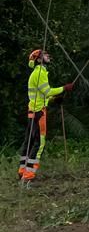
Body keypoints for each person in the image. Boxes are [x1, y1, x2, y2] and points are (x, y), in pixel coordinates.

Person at [18, 49, 73, 183]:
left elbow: (41, 96)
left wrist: (54, 99)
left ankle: (22, 171)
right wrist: (64, 88)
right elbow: (47, 91)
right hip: (39, 113)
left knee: (29, 141)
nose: (48, 55)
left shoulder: (37, 73)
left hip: (33, 111)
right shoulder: (40, 73)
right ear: (38, 59)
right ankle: (28, 176)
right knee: (39, 144)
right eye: (45, 54)